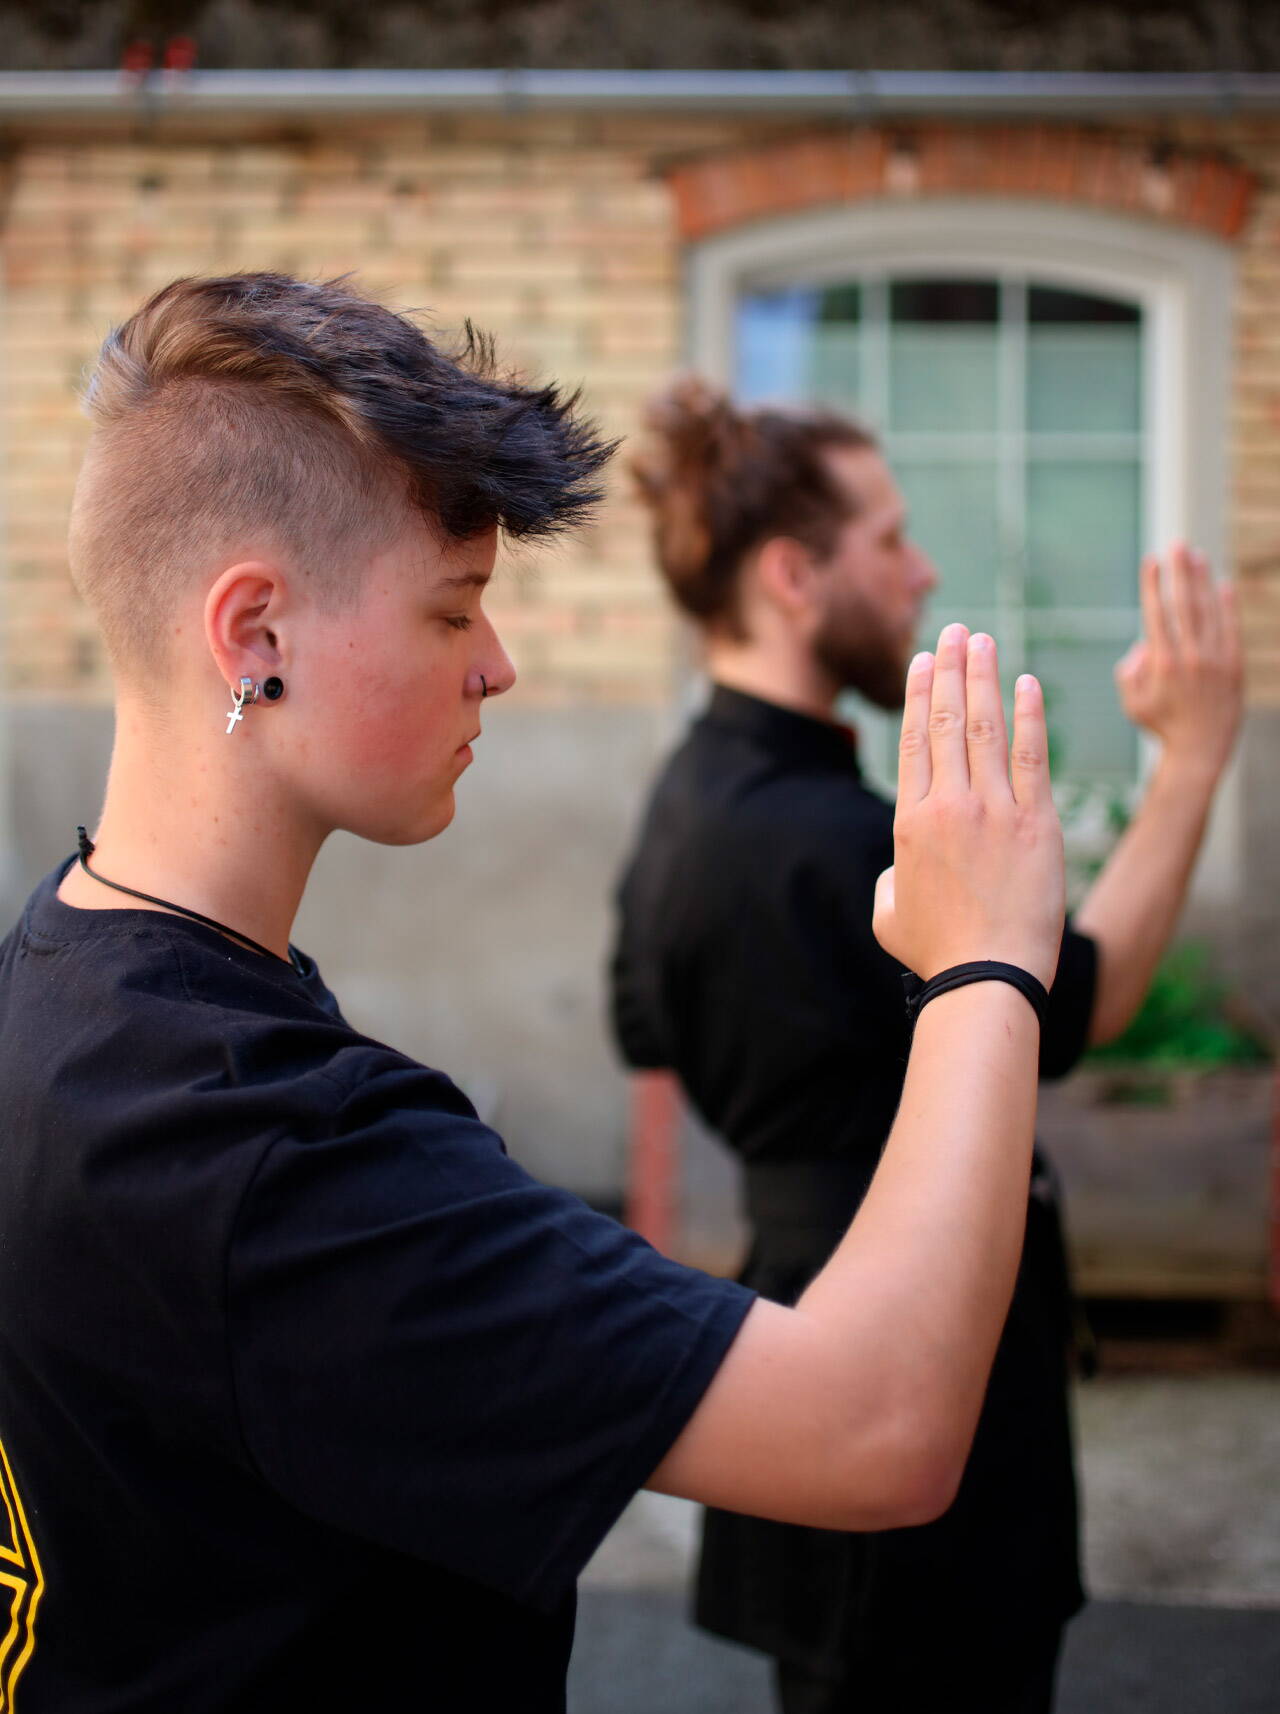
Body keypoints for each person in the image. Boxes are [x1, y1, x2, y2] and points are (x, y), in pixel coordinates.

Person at [0, 273, 1073, 1713]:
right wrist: (987, 961)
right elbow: (877, 1426)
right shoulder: (269, 1158)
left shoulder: (49, 980)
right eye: (455, 612)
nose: (497, 669)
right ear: (254, 633)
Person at [610, 377, 1244, 1714]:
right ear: (793, 575)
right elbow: (1086, 999)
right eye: (889, 537)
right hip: (923, 1370)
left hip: (785, 1324)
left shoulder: (682, 803)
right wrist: (1189, 759)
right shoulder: (840, 841)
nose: (924, 563)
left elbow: (641, 1019)